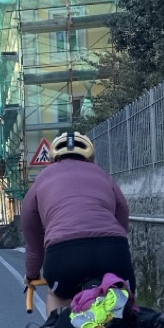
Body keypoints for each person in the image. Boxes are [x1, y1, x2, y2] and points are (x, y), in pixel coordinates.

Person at [20, 130, 136, 315]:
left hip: (64, 254)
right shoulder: (103, 175)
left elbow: (33, 243)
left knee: (58, 296)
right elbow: (122, 216)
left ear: (53, 157)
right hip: (113, 249)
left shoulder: (41, 181)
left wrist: (32, 275)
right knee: (124, 299)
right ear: (90, 157)